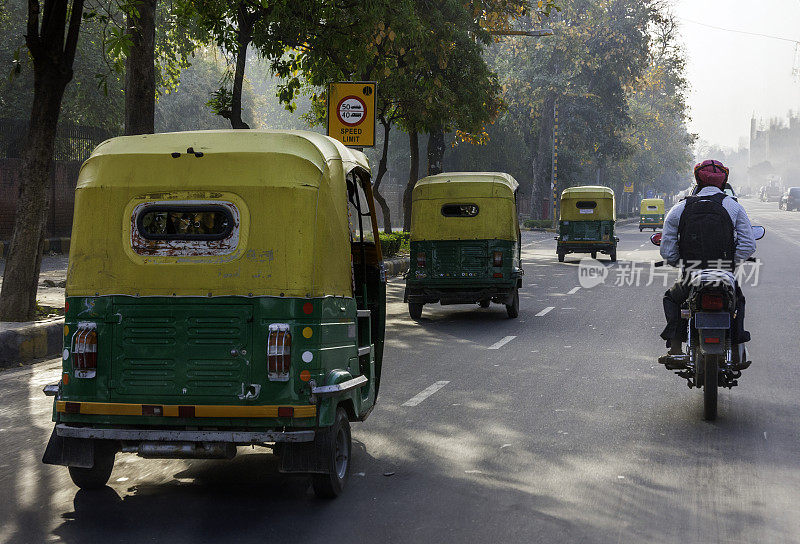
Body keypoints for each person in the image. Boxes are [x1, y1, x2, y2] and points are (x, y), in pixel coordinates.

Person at [659, 159, 757, 361]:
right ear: (723, 182)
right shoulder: (733, 206)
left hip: (690, 275)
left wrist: (684, 265)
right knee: (738, 302)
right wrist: (729, 263)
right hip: (724, 274)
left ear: (697, 180)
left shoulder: (680, 207)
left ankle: (676, 346)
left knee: (672, 298)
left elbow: (667, 250)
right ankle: (738, 345)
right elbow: (748, 245)